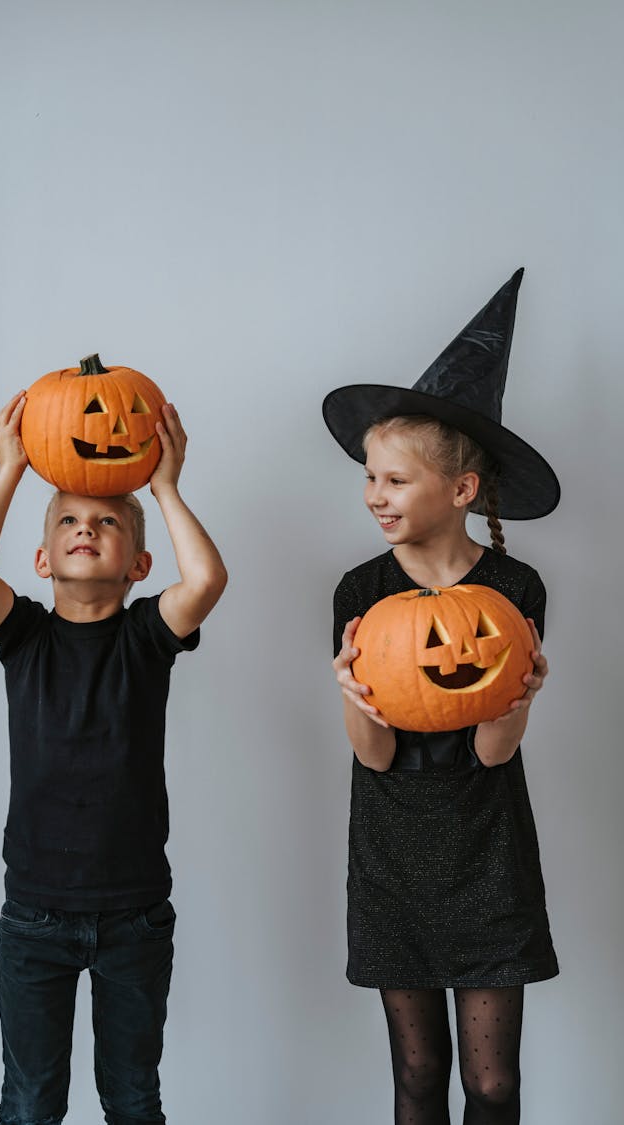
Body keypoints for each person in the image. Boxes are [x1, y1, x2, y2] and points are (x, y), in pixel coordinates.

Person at [0, 390, 227, 1125]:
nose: (85, 529)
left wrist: (163, 484)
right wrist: (11, 470)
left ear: (137, 562)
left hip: (134, 912)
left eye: (106, 522)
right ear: (41, 558)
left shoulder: (146, 636)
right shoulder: (24, 635)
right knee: (31, 1101)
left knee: (132, 1099)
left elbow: (204, 582)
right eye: (67, 520)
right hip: (34, 912)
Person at [323, 270, 560, 1124]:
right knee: (420, 1072)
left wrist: (519, 700)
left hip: (487, 844)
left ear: (460, 491)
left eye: (392, 480)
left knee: (493, 1083)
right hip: (391, 844)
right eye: (370, 477)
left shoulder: (515, 588)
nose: (373, 496)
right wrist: (349, 689)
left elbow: (494, 751)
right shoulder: (360, 589)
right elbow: (376, 749)